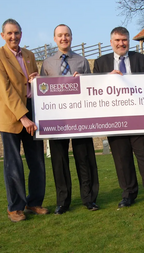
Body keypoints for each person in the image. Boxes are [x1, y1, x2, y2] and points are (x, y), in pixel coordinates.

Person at [93, 26, 144, 210]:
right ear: (111, 42)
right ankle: (128, 194)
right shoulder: (101, 63)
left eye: (124, 40)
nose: (121, 43)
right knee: (122, 160)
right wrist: (107, 79)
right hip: (114, 120)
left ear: (128, 41)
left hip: (138, 118)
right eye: (117, 40)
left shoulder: (140, 59)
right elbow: (93, 90)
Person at [0, 18, 49, 222]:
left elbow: (33, 86)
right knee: (13, 164)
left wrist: (35, 80)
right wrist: (23, 117)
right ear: (2, 35)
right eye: (9, 33)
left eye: (17, 32)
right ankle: (15, 207)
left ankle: (34, 202)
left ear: (21, 33)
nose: (14, 36)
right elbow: (4, 89)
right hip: (11, 115)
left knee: (37, 162)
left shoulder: (30, 55)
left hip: (32, 111)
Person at [40, 24, 99, 214]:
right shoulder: (47, 64)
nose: (64, 38)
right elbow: (42, 93)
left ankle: (89, 198)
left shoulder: (82, 61)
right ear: (55, 39)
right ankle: (62, 201)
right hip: (57, 120)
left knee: (84, 159)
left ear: (71, 37)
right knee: (59, 162)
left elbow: (91, 90)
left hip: (79, 117)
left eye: (67, 35)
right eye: (60, 35)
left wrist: (82, 80)